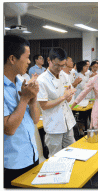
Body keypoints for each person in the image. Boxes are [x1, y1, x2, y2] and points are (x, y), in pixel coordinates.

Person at [4, 35, 40, 188]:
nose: (29, 61)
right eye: (27, 57)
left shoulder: (21, 83)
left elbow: (35, 119)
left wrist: (32, 100)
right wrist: (24, 100)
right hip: (13, 163)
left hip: (31, 155)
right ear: (12, 58)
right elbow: (9, 129)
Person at [37, 48, 77, 158]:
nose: (60, 68)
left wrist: (69, 96)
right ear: (49, 60)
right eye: (57, 65)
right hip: (54, 124)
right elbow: (44, 106)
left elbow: (67, 100)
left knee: (72, 151)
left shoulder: (64, 75)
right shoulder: (42, 80)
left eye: (63, 65)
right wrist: (64, 97)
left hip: (67, 121)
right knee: (55, 156)